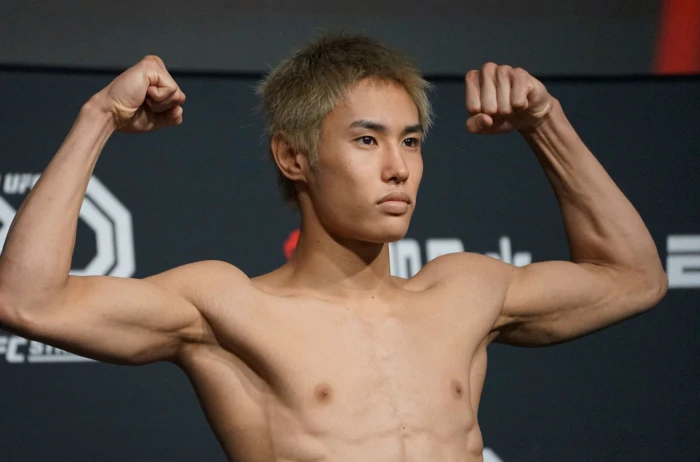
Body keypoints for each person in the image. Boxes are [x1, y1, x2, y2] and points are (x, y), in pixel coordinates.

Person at [0, 33, 667, 462]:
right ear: (293, 157)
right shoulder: (229, 307)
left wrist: (545, 124)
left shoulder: (467, 291)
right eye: (367, 140)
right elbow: (29, 301)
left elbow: (633, 277)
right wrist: (99, 118)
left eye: (411, 141)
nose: (399, 169)